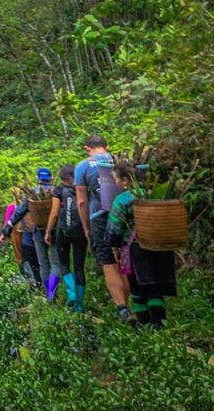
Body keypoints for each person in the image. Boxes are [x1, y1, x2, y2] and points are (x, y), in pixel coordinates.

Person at [108, 160, 177, 328]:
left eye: (117, 179)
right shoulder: (154, 195)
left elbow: (114, 227)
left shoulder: (122, 200)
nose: (116, 183)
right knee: (155, 287)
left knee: (137, 288)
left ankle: (144, 323)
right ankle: (159, 323)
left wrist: (113, 244)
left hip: (133, 250)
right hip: (157, 247)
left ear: (126, 181)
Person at [75, 134, 133, 324]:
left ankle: (123, 309)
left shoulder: (82, 166)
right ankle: (136, 304)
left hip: (99, 218)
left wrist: (86, 227)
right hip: (126, 215)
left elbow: (82, 201)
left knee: (108, 263)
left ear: (87, 148)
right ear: (107, 146)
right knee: (125, 262)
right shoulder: (120, 161)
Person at [1, 167, 60, 301]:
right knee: (56, 264)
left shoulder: (33, 192)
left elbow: (19, 211)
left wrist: (7, 228)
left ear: (38, 179)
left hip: (38, 232)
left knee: (43, 263)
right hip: (55, 231)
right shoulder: (57, 191)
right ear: (50, 178)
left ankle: (49, 295)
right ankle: (52, 290)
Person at [46, 164, 87, 312]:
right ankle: (80, 305)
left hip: (64, 232)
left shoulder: (59, 190)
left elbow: (54, 213)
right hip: (82, 232)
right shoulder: (84, 188)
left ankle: (71, 295)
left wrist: (48, 231)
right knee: (79, 268)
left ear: (65, 178)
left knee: (63, 264)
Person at [0, 188, 40, 288]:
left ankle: (31, 281)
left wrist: (3, 234)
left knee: (21, 257)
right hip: (37, 234)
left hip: (18, 234)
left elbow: (8, 221)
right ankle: (47, 289)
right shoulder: (36, 204)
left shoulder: (12, 207)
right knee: (41, 260)